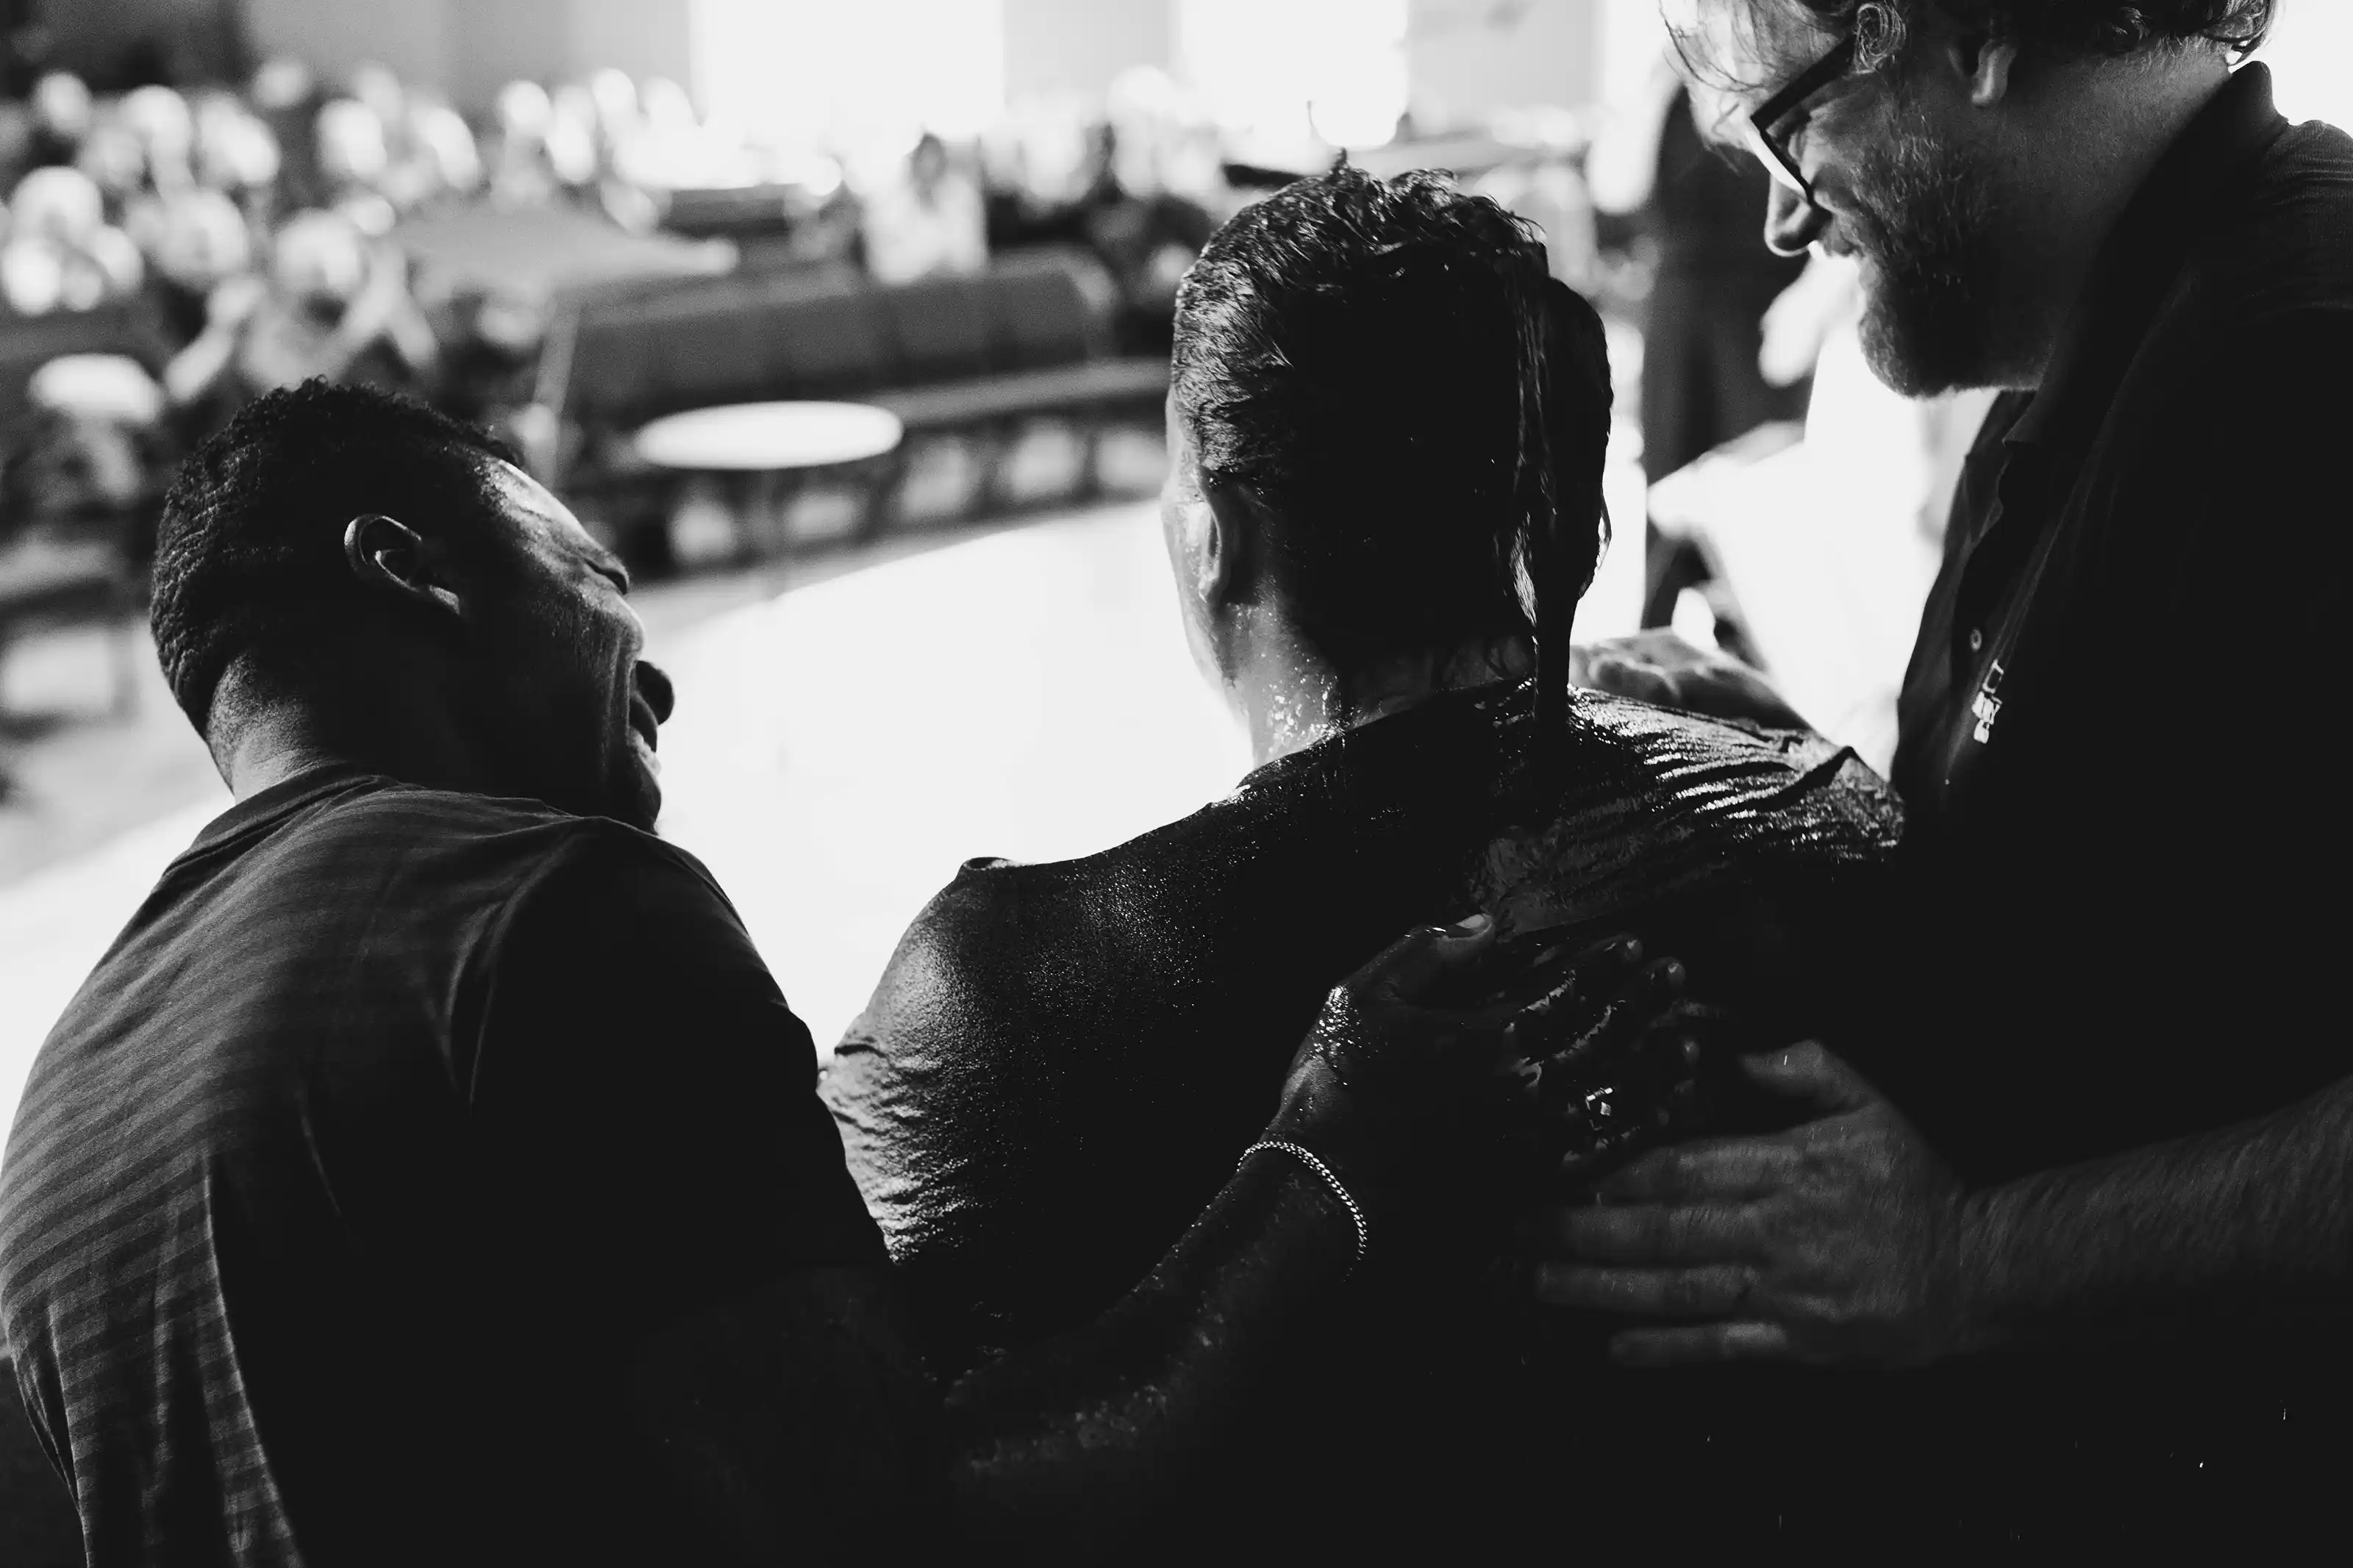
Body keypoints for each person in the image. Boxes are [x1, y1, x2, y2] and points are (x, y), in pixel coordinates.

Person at [0, 380, 1657, 1566]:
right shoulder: (548, 910)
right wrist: (1330, 1156)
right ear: (408, 564)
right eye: (597, 580)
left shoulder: (57, 1113)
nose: (657, 687)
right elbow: (909, 1523)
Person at [823, 167, 1904, 1553]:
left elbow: (840, 1490)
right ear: (1568, 514)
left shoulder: (1003, 986)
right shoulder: (1819, 809)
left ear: (1216, 537)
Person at [1546, 0, 2351, 1547]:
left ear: (1967, 36)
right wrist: (1783, 756)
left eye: (1794, 122)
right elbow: (2114, 889)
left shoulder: (2303, 369)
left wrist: (1964, 1255)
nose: (1784, 213)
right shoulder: (2087, 360)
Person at [1588, 50, 1808, 640]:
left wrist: (1810, 301)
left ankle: (1759, 651)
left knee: (1757, 504)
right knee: (1667, 492)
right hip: (1681, 313)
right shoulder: (1664, 84)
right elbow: (1613, 189)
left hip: (1766, 312)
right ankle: (1654, 640)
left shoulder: (1782, 58)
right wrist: (1657, 87)